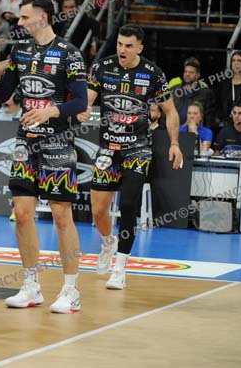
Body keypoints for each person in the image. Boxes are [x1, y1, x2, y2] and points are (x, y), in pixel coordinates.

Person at [0, 0, 88, 313]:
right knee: (22, 213)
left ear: (42, 17)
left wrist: (51, 111)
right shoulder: (20, 50)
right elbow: (6, 95)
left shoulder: (69, 53)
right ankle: (31, 286)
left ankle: (71, 290)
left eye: (24, 17)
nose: (19, 22)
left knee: (61, 214)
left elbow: (81, 102)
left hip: (58, 141)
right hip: (25, 141)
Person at [79, 24, 183, 291]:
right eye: (119, 44)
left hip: (138, 149)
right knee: (98, 210)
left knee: (128, 205)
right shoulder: (102, 67)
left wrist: (174, 143)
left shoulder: (152, 73)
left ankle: (120, 268)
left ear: (139, 48)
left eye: (128, 46)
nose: (122, 50)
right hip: (108, 148)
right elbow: (87, 100)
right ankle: (107, 242)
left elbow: (170, 111)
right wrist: (83, 109)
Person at [170, 57, 216, 128]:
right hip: (174, 129)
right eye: (185, 72)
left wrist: (204, 132)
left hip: (196, 131)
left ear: (198, 75)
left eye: (191, 72)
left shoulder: (206, 93)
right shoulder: (174, 90)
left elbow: (209, 119)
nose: (187, 74)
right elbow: (166, 112)